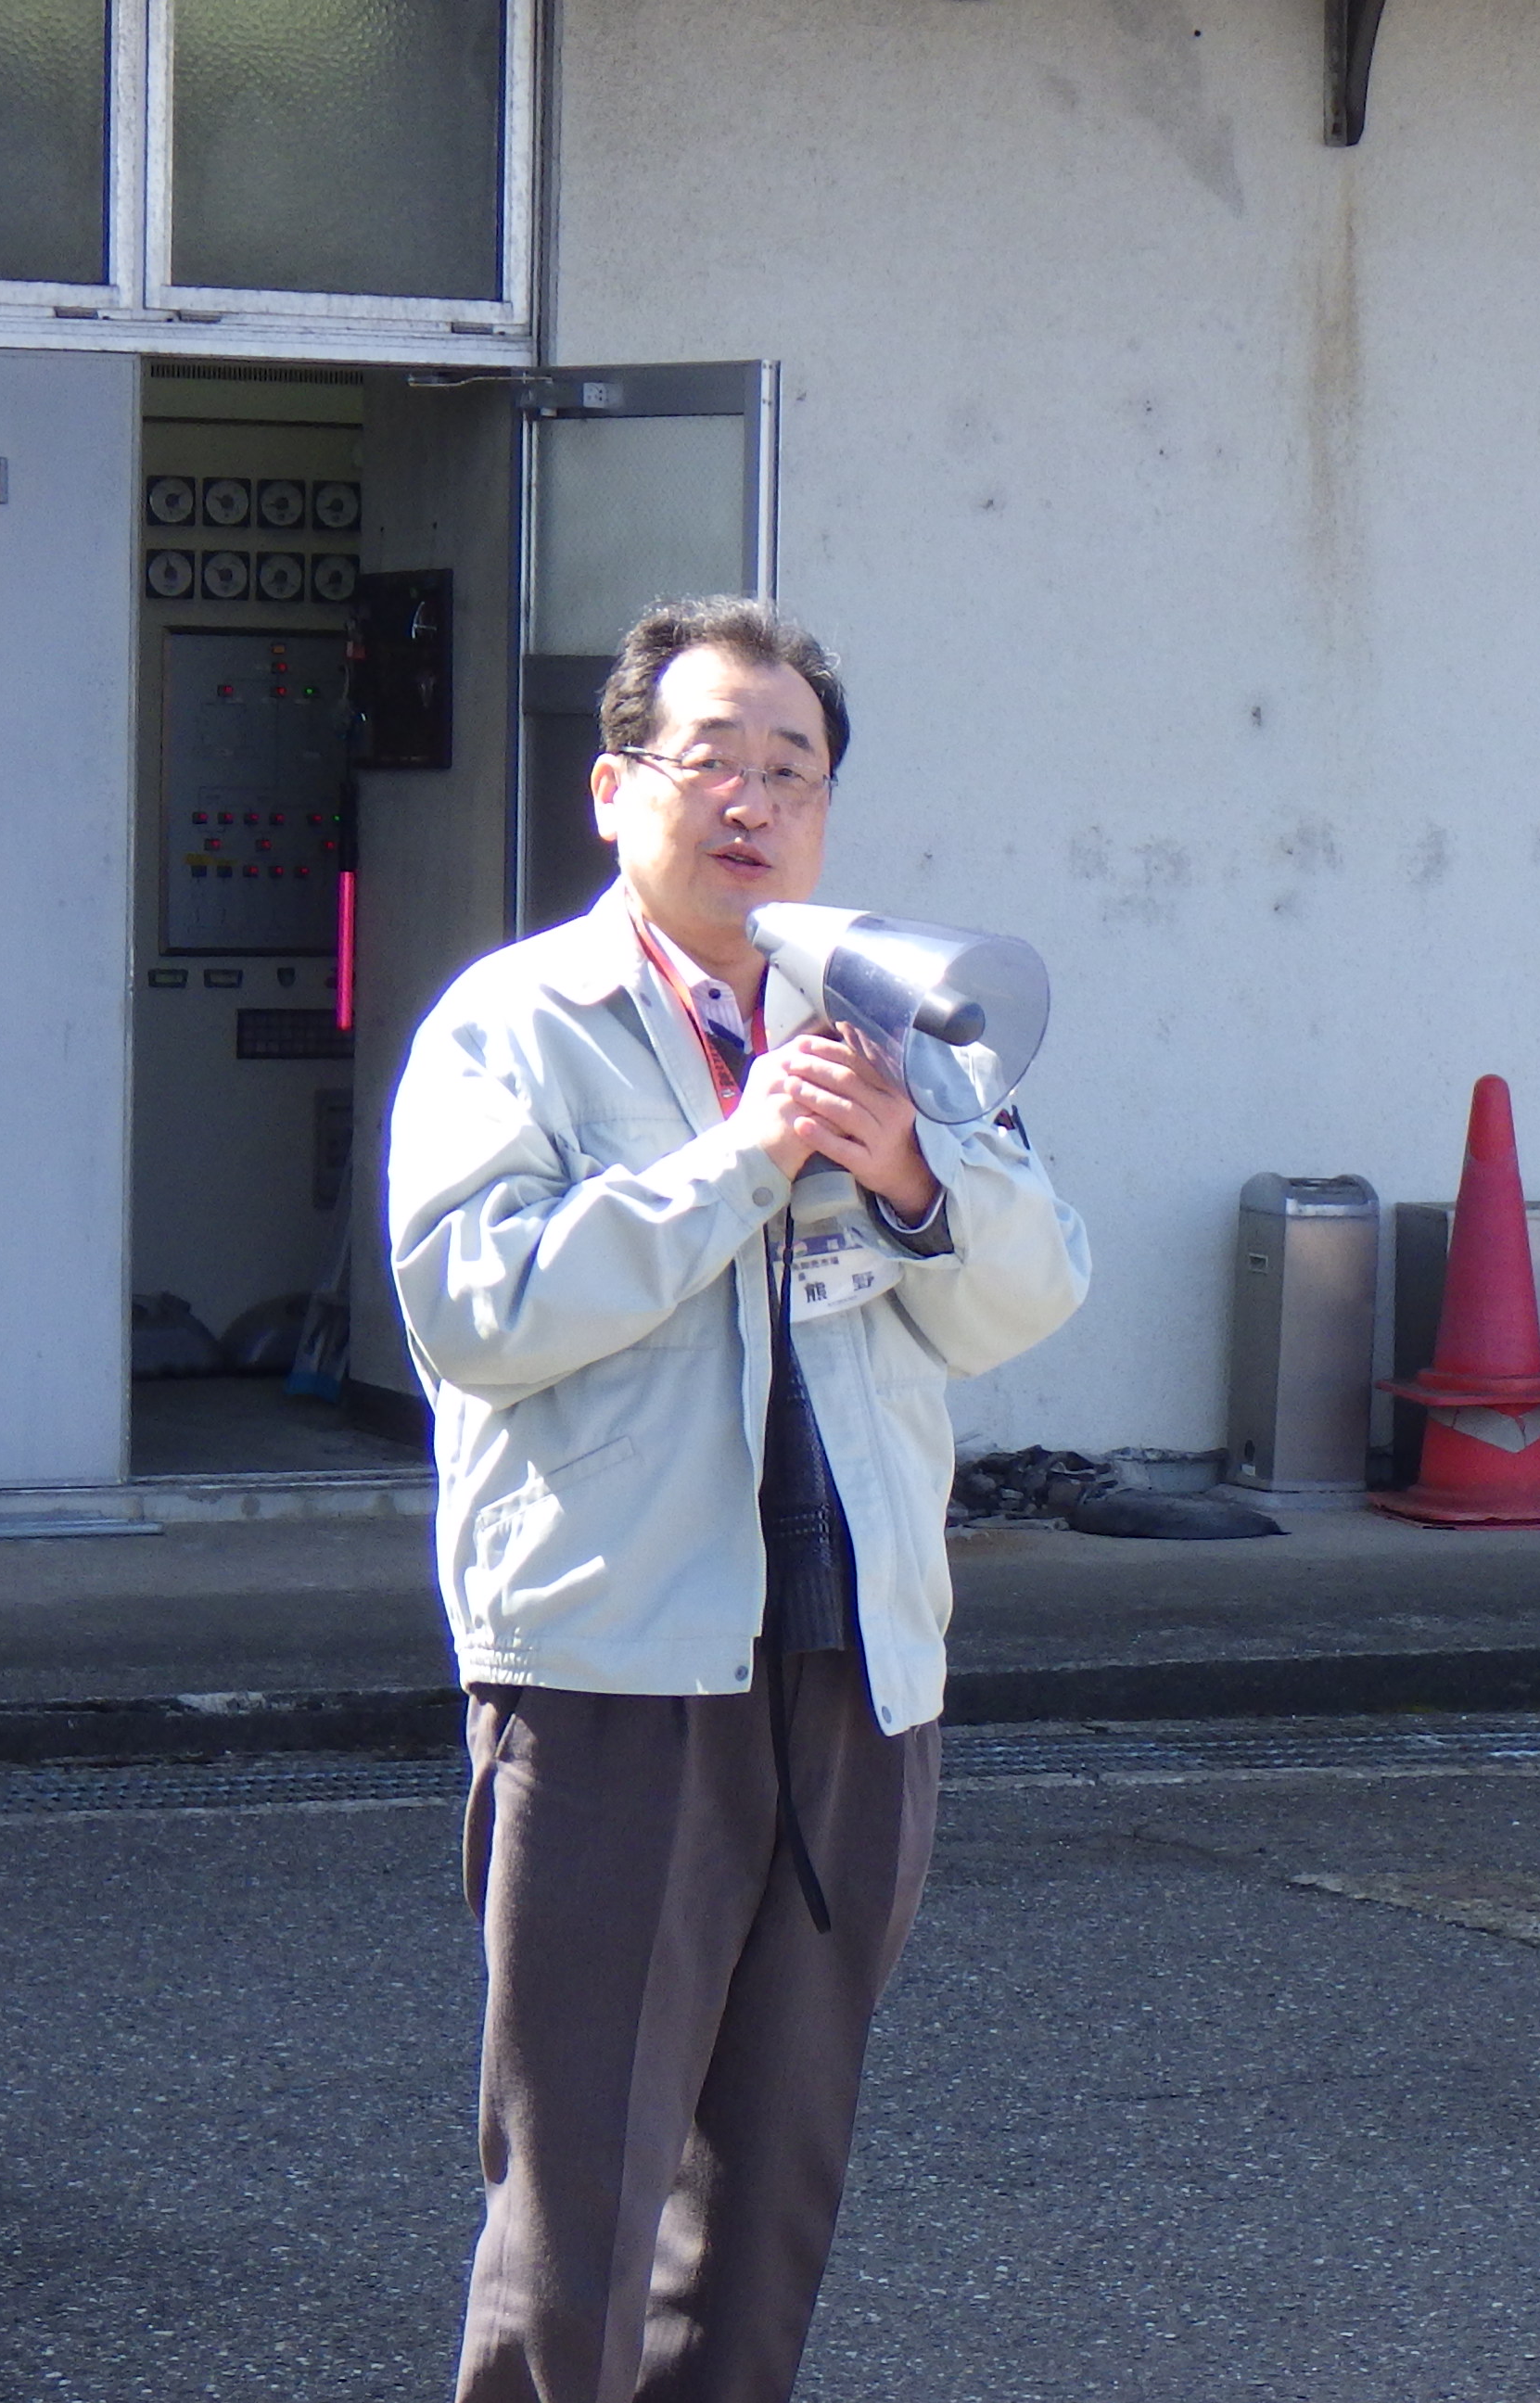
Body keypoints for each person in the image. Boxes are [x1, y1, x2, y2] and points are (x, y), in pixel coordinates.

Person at [388, 595, 1089, 2399]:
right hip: (619, 1667)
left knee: (770, 2186)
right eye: (713, 760)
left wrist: (917, 1176)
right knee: (583, 2197)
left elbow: (1032, 1290)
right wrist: (742, 1158)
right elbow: (479, 1310)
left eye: (795, 770)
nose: (754, 801)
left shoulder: (886, 1015)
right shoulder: (515, 1023)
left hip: (855, 1665)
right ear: (614, 788)